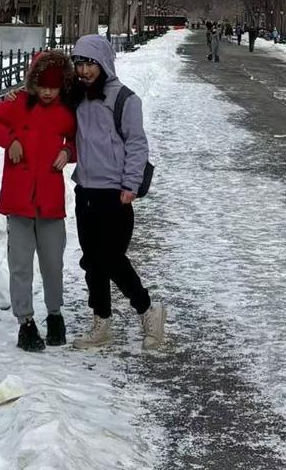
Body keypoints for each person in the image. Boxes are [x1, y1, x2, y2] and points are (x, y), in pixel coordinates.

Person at [68, 33, 165, 351]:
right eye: (79, 63)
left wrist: (130, 185)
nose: (83, 71)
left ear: (104, 63)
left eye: (89, 64)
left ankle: (148, 311)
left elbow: (137, 144)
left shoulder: (125, 99)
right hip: (86, 191)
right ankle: (101, 323)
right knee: (93, 262)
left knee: (111, 259)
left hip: (115, 193)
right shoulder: (78, 97)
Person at [0, 49, 76, 353]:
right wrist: (10, 140)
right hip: (18, 200)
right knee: (20, 264)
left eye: (54, 87)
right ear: (33, 83)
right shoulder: (18, 105)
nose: (48, 92)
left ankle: (55, 315)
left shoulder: (66, 111)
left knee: (52, 263)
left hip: (50, 201)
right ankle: (26, 322)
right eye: (43, 86)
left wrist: (68, 152)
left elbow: (78, 140)